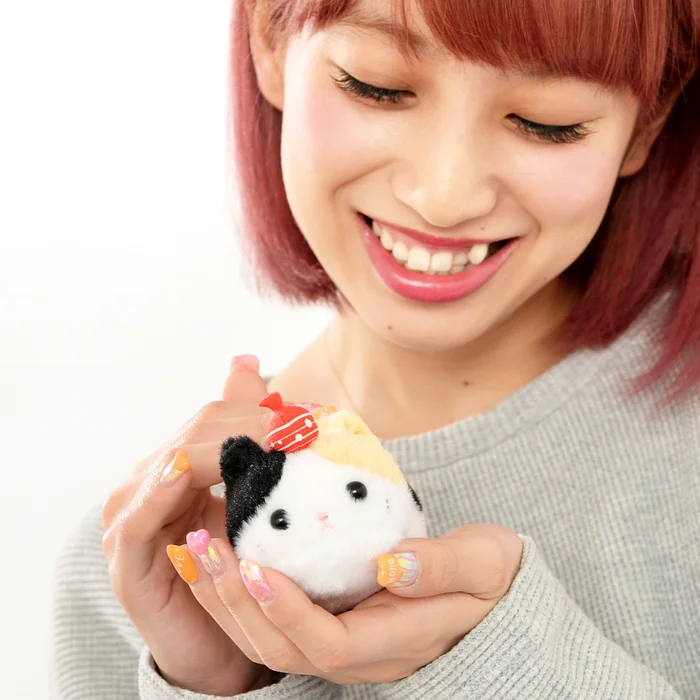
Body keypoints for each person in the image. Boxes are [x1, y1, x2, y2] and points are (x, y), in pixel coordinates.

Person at [52, 0, 700, 698]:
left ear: (647, 122)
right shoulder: (153, 563)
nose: (444, 196)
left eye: (546, 121)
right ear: (271, 40)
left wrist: (500, 663)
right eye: (377, 86)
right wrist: (227, 684)